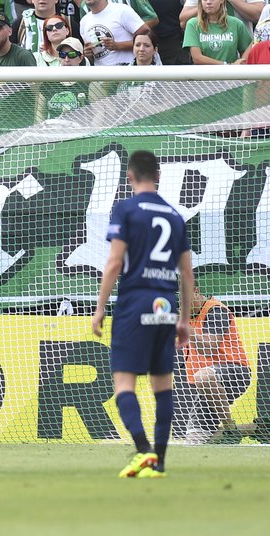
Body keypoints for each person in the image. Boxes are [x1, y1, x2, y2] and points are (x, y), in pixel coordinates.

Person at [92, 150, 194, 478]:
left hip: (135, 300)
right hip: (166, 304)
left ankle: (144, 451)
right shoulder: (175, 215)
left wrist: (100, 308)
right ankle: (160, 461)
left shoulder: (126, 210)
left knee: (124, 382)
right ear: (159, 176)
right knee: (163, 385)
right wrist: (184, 319)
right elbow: (187, 275)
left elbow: (113, 263)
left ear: (130, 177)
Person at [181, 285, 257, 443]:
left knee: (203, 377)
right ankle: (257, 429)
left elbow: (209, 349)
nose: (182, 306)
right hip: (208, 386)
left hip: (235, 372)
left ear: (194, 290)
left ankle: (229, 427)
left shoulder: (216, 311)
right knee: (194, 442)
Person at [80, 0, 150, 66]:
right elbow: (94, 55)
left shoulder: (122, 10)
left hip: (128, 72)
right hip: (101, 75)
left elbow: (147, 38)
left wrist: (118, 45)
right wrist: (88, 54)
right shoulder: (84, 21)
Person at [183, 0, 252, 65]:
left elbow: (248, 50)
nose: (208, 2)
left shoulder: (236, 24)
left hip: (231, 75)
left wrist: (240, 64)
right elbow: (197, 58)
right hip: (203, 75)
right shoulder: (193, 24)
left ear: (222, 0)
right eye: (204, 0)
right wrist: (227, 65)